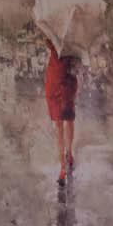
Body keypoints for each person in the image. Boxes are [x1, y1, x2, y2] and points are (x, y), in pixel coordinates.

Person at [37, 28, 79, 183]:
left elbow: (48, 43)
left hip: (56, 78)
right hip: (67, 79)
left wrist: (47, 39)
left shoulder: (54, 29)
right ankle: (68, 154)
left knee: (59, 125)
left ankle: (62, 167)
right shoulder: (75, 35)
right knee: (68, 120)